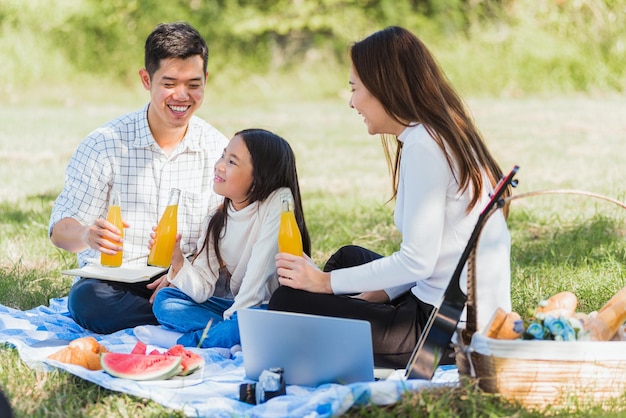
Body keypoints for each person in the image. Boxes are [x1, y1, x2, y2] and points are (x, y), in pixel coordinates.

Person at [269, 26, 511, 369]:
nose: (352, 102)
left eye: (355, 88)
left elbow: (417, 262)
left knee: (287, 301)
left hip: (444, 332)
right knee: (347, 257)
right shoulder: (436, 133)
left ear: (384, 86)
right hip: (438, 302)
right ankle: (357, 315)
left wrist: (324, 284)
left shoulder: (426, 146)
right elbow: (432, 260)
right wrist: (377, 295)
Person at [49, 22, 229, 334]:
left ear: (206, 81)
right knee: (87, 299)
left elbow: (226, 237)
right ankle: (184, 320)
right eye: (169, 83)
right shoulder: (104, 143)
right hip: (117, 283)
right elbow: (60, 230)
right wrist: (86, 236)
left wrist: (180, 274)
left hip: (188, 280)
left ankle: (177, 314)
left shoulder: (219, 150)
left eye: (194, 84)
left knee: (220, 292)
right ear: (146, 79)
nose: (182, 96)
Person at [134, 128, 311, 349]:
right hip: (241, 311)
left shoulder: (277, 204)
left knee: (244, 323)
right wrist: (177, 259)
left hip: (278, 309)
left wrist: (237, 320)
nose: (219, 165)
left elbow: (257, 278)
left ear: (258, 179)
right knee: (166, 302)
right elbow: (202, 290)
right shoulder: (215, 221)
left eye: (232, 162)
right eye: (223, 156)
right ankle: (236, 336)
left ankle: (188, 341)